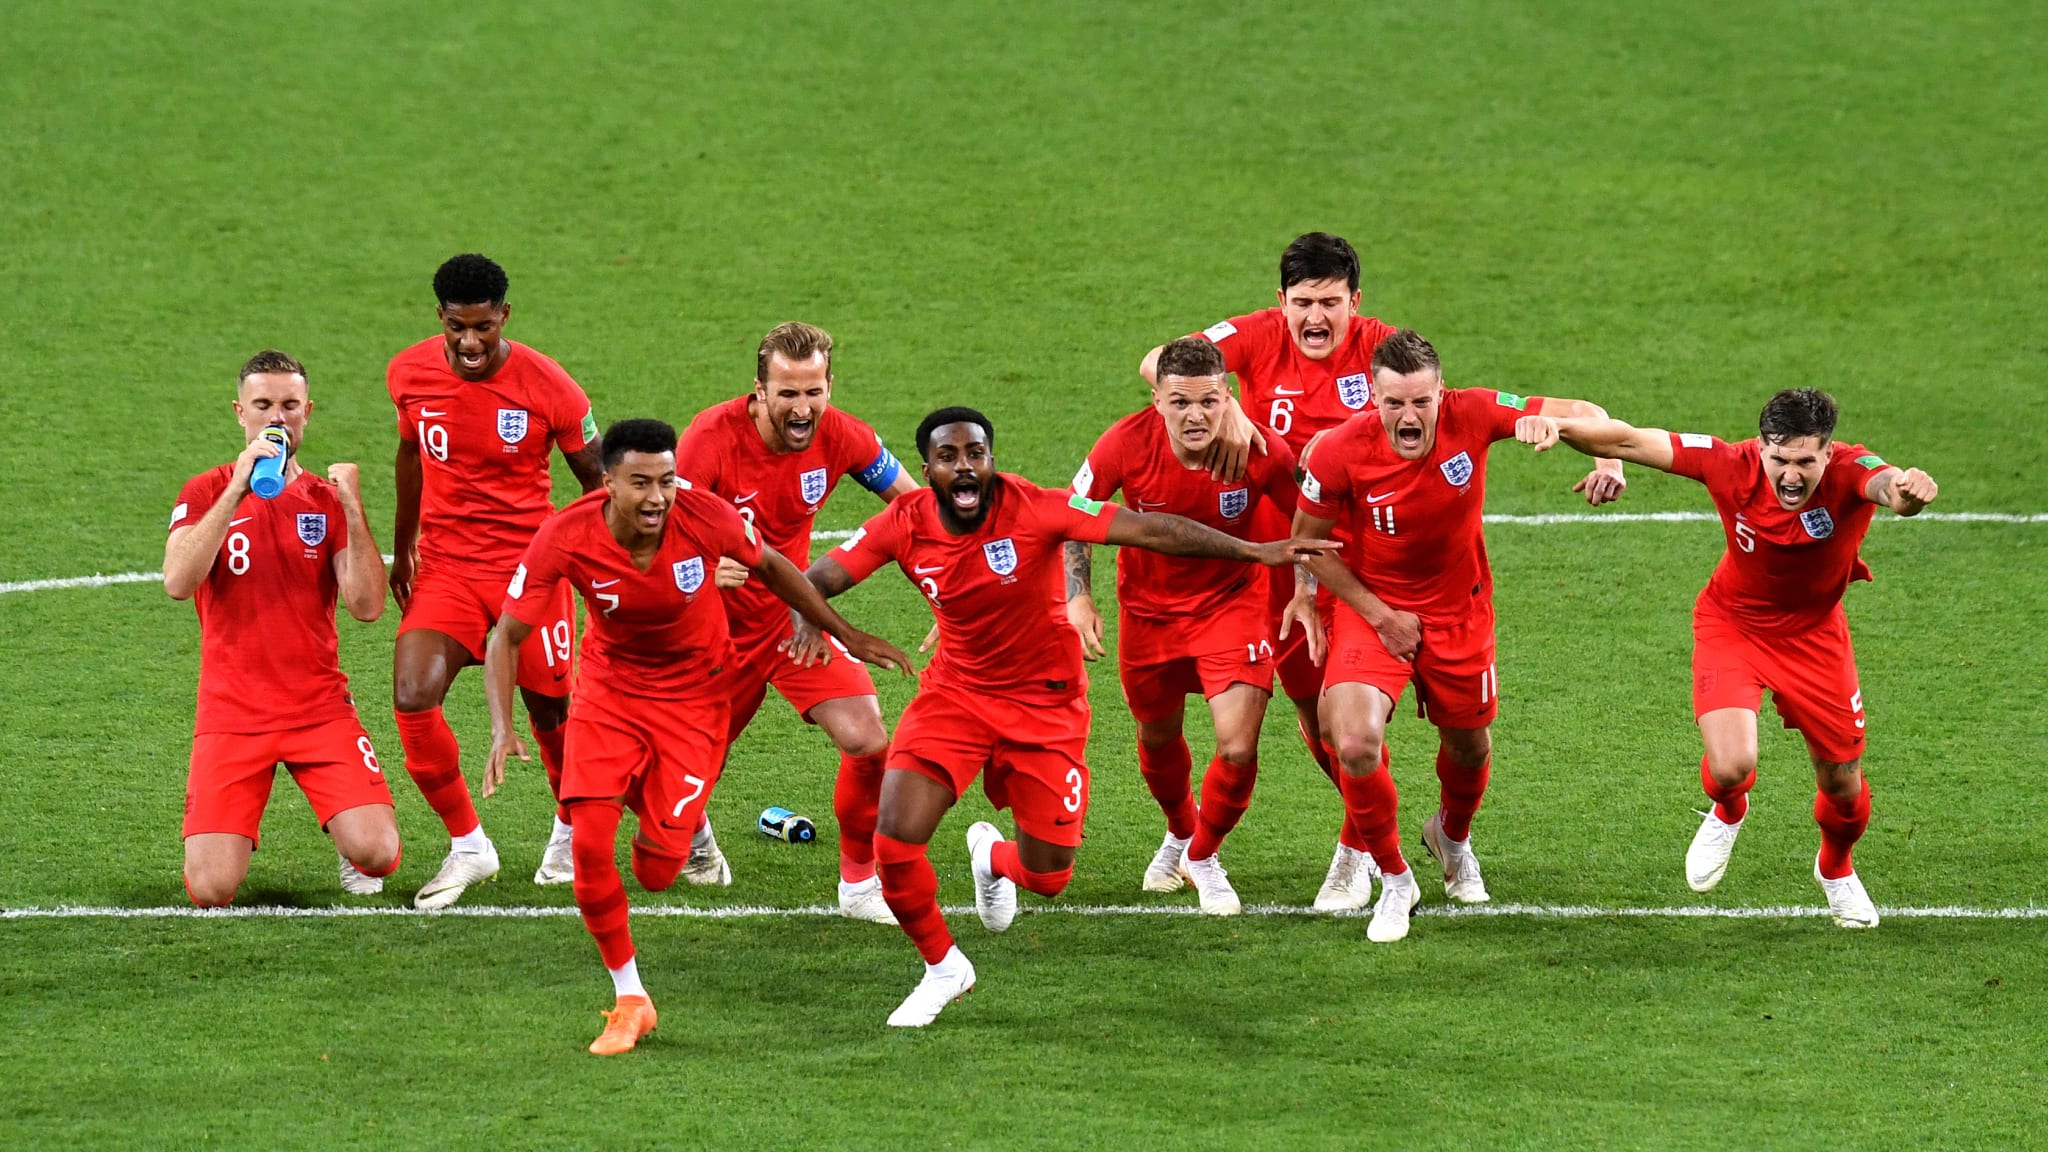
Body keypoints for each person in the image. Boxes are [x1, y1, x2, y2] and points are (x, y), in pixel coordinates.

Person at [794, 407, 1334, 1026]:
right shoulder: (903, 521)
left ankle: (991, 859)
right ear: (927, 469)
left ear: (991, 460)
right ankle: (944, 969)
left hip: (1045, 706)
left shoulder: (1036, 507)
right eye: (948, 457)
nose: (964, 467)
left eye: (976, 454)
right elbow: (815, 578)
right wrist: (838, 631)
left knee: (1047, 875)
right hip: (956, 698)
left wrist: (1254, 551)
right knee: (894, 838)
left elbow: (1151, 530)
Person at [482, 419, 911, 1055]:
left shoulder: (705, 516)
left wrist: (843, 631)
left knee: (657, 870)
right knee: (591, 842)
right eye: (640, 483)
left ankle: (675, 822)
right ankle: (631, 1000)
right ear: (607, 483)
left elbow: (774, 566)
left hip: (695, 701)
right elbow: (507, 636)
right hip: (609, 694)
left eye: (667, 481)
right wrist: (501, 727)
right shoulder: (565, 535)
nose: (657, 497)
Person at [1514, 389, 1937, 927]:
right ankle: (1728, 809)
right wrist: (1557, 427)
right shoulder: (1728, 463)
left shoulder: (1852, 469)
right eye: (1779, 459)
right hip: (1733, 625)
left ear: (1828, 453)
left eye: (1805, 462)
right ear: (1760, 447)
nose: (1790, 476)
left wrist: (1909, 492)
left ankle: (1835, 869)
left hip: (1815, 639)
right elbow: (1628, 440)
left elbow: (1890, 490)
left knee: (1844, 788)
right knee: (1731, 766)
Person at [1293, 329, 1623, 942]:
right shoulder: (1340, 450)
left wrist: (1606, 462)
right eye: (1394, 403)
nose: (1409, 416)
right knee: (1355, 742)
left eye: (1421, 402)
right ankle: (1394, 878)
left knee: (1469, 748)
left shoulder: (1473, 412)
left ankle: (1450, 835)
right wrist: (1375, 614)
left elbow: (1585, 411)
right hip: (1372, 612)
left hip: (1459, 615)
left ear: (1441, 393)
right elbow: (1307, 543)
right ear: (1373, 397)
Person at [675, 322, 919, 920]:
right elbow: (658, 532)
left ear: (830, 386)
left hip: (790, 622)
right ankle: (693, 834)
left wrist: (953, 593)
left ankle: (858, 886)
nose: (802, 408)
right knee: (677, 778)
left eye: (813, 392)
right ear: (759, 391)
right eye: (787, 393)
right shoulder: (709, 439)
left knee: (867, 740)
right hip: (707, 632)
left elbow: (917, 511)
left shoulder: (843, 436)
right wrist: (703, 567)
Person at [386, 253, 605, 908]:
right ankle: (469, 846)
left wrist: (600, 572)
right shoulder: (408, 373)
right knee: (412, 694)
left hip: (530, 569)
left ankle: (568, 832)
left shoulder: (551, 388)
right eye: (457, 327)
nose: (470, 342)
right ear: (440, 318)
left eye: (483, 326)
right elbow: (409, 454)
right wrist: (403, 548)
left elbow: (598, 486)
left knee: (552, 714)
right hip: (448, 569)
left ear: (504, 315)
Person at [1068, 337, 1299, 912]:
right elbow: (1074, 512)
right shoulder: (1124, 443)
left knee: (1238, 748)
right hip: (1148, 615)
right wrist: (1078, 597)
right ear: (1157, 401)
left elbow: (1310, 516)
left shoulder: (1257, 450)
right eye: (1179, 403)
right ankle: (1179, 829)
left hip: (1233, 605)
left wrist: (1312, 594)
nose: (1195, 416)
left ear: (1227, 397)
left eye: (1208, 402)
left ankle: (1202, 854)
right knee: (1157, 736)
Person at [164, 350, 400, 905]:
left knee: (378, 852)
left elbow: (367, 606)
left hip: (318, 709)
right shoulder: (205, 491)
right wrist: (237, 490)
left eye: (290, 405)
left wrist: (353, 507)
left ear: (307, 413)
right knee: (210, 889)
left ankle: (350, 845)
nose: (277, 417)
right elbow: (177, 581)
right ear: (240, 413)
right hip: (232, 714)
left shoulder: (325, 499)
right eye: (263, 404)